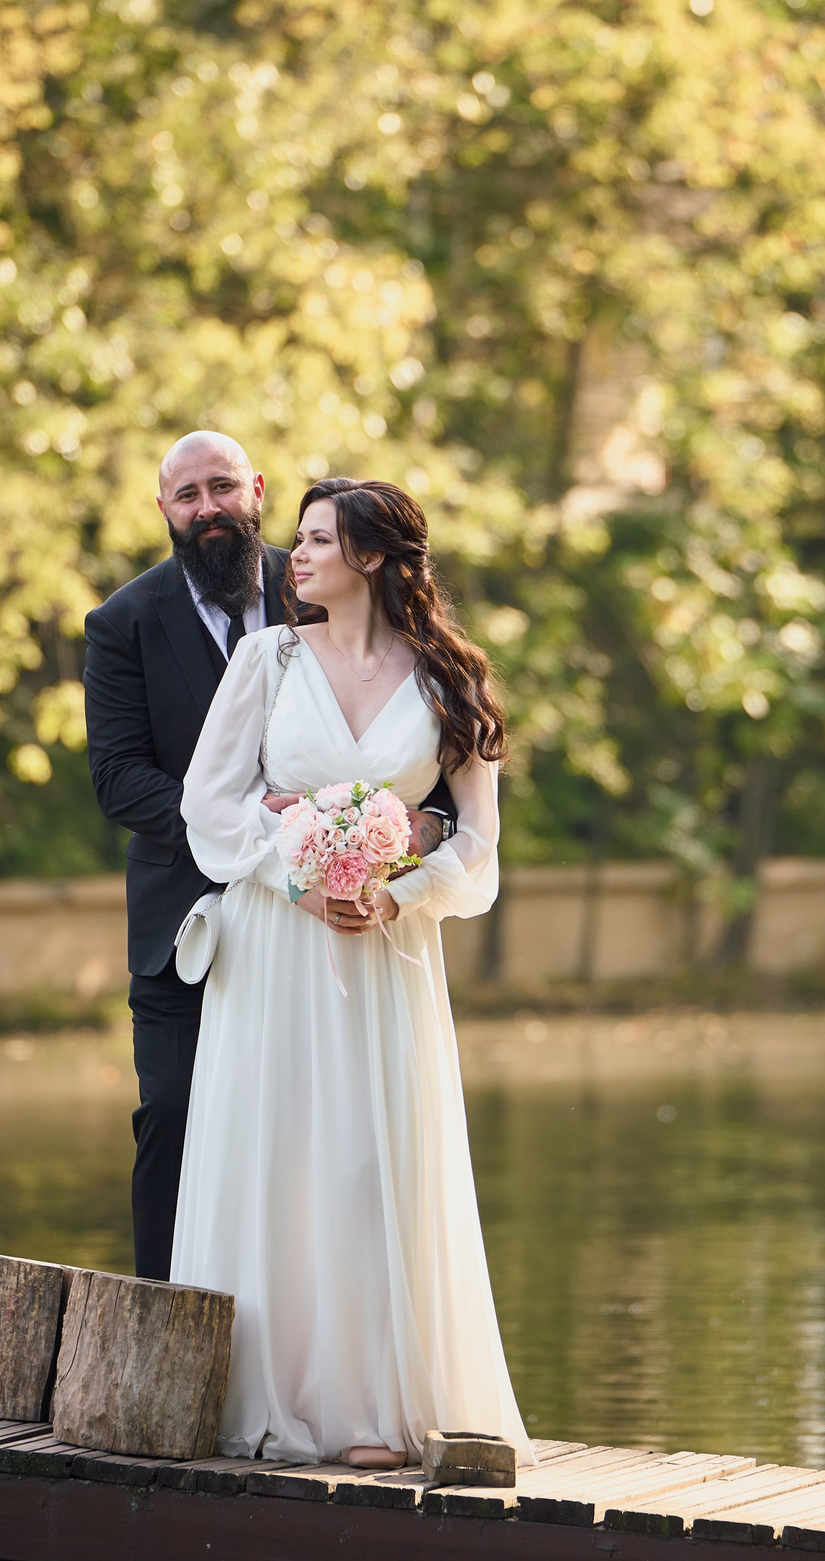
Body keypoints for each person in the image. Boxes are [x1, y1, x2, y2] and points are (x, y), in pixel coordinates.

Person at [173, 477, 531, 1471]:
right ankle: (268, 1399)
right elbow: (210, 805)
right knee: (281, 1155)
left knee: (369, 1162)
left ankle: (377, 1406)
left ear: (372, 557)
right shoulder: (266, 659)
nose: (296, 555)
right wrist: (299, 872)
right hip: (277, 945)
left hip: (386, 955)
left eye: (319, 539)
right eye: (297, 538)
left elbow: (477, 847)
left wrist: (395, 894)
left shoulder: (449, 675)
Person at [81, 434, 451, 1281]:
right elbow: (118, 778)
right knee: (173, 1117)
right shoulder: (122, 623)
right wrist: (255, 824)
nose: (206, 508)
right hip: (188, 922)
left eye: (221, 488)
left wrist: (401, 830)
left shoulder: (329, 579)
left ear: (254, 491)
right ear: (165, 510)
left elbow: (408, 734)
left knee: (314, 1132)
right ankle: (161, 1335)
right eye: (186, 495)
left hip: (328, 928)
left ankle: (297, 1335)